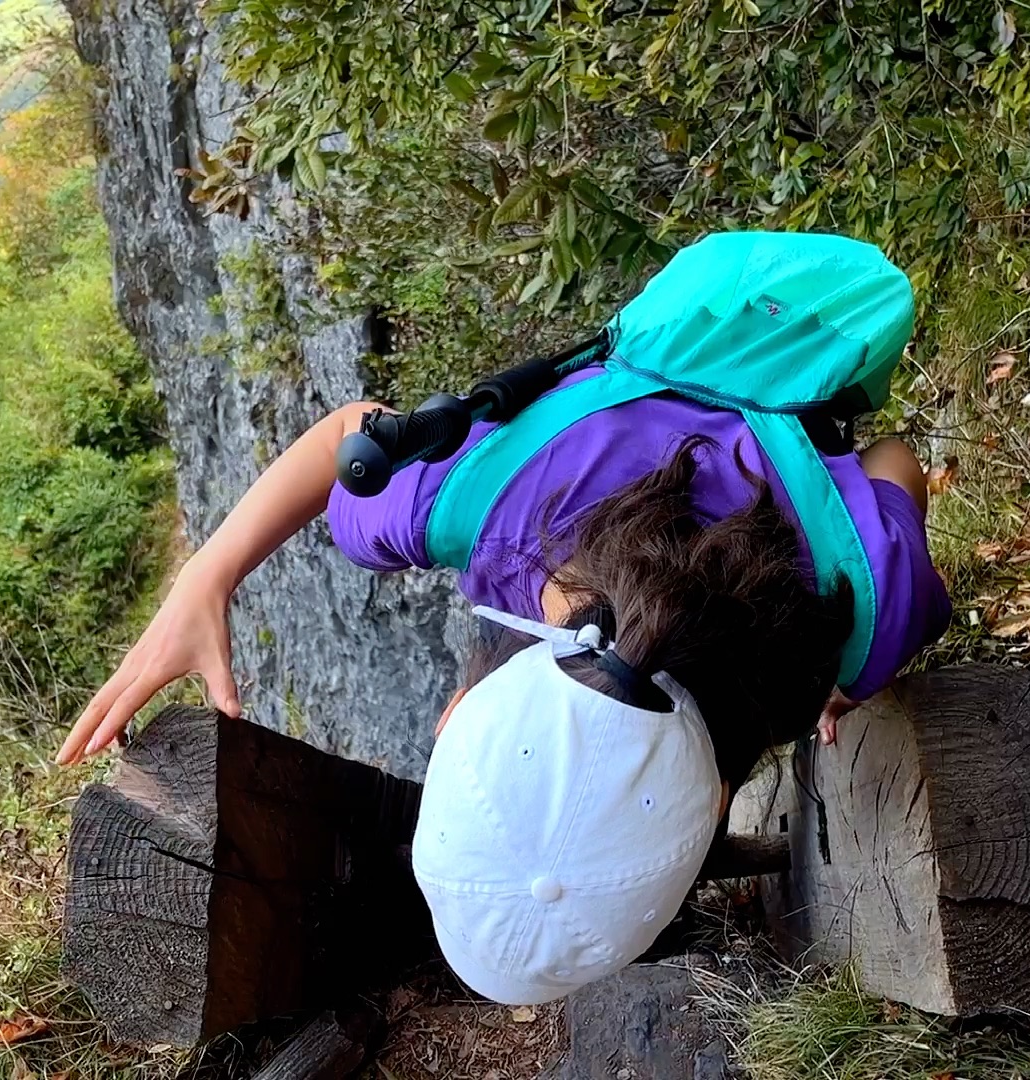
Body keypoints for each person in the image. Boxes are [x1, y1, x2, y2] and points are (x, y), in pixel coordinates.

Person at [57, 233, 950, 1005]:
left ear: (719, 801)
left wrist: (829, 671)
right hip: (753, 318)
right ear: (453, 721)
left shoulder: (865, 619)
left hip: (788, 329)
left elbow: (891, 460)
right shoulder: (478, 505)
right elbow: (350, 441)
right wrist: (208, 577)